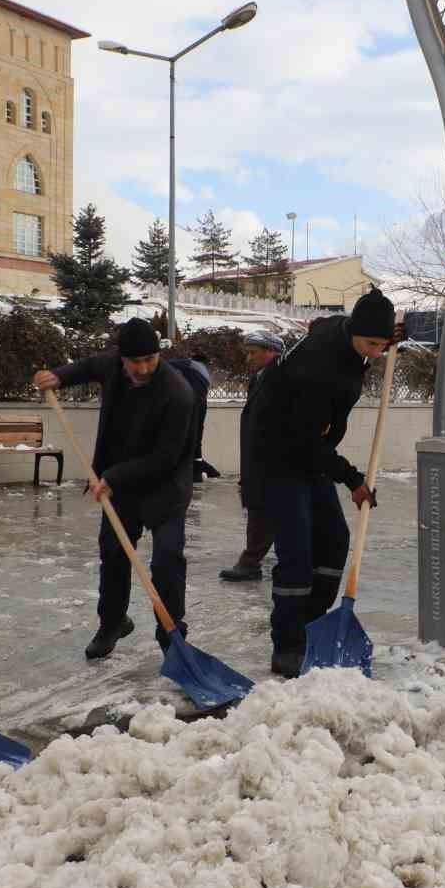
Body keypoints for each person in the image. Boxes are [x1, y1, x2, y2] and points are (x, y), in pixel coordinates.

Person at [248, 288, 395, 677]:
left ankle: (313, 626)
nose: (378, 353)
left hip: (311, 453)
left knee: (334, 541)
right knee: (297, 555)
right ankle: (287, 645)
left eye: (383, 344)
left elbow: (363, 330)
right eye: (371, 344)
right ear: (353, 333)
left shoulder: (346, 333)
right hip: (280, 456)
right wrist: (352, 479)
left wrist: (392, 333)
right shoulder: (316, 369)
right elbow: (306, 443)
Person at [34, 319, 197, 660]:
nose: (143, 367)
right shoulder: (112, 365)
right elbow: (90, 364)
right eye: (135, 361)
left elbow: (167, 458)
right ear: (122, 358)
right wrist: (59, 376)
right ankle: (112, 623)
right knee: (113, 554)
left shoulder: (178, 393)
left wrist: (114, 476)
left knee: (167, 560)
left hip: (165, 487)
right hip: (121, 486)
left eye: (150, 359)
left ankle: (172, 636)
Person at [220, 330, 284, 582]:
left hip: (269, 458)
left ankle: (250, 562)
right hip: (257, 456)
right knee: (260, 508)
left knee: (262, 509)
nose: (250, 357)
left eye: (254, 352)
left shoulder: (279, 376)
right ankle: (253, 561)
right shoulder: (261, 376)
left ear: (271, 351)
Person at [186, 351, 219, 482]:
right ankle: (199, 470)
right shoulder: (201, 373)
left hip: (191, 404)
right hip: (197, 404)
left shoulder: (187, 367)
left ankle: (199, 469)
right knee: (195, 436)